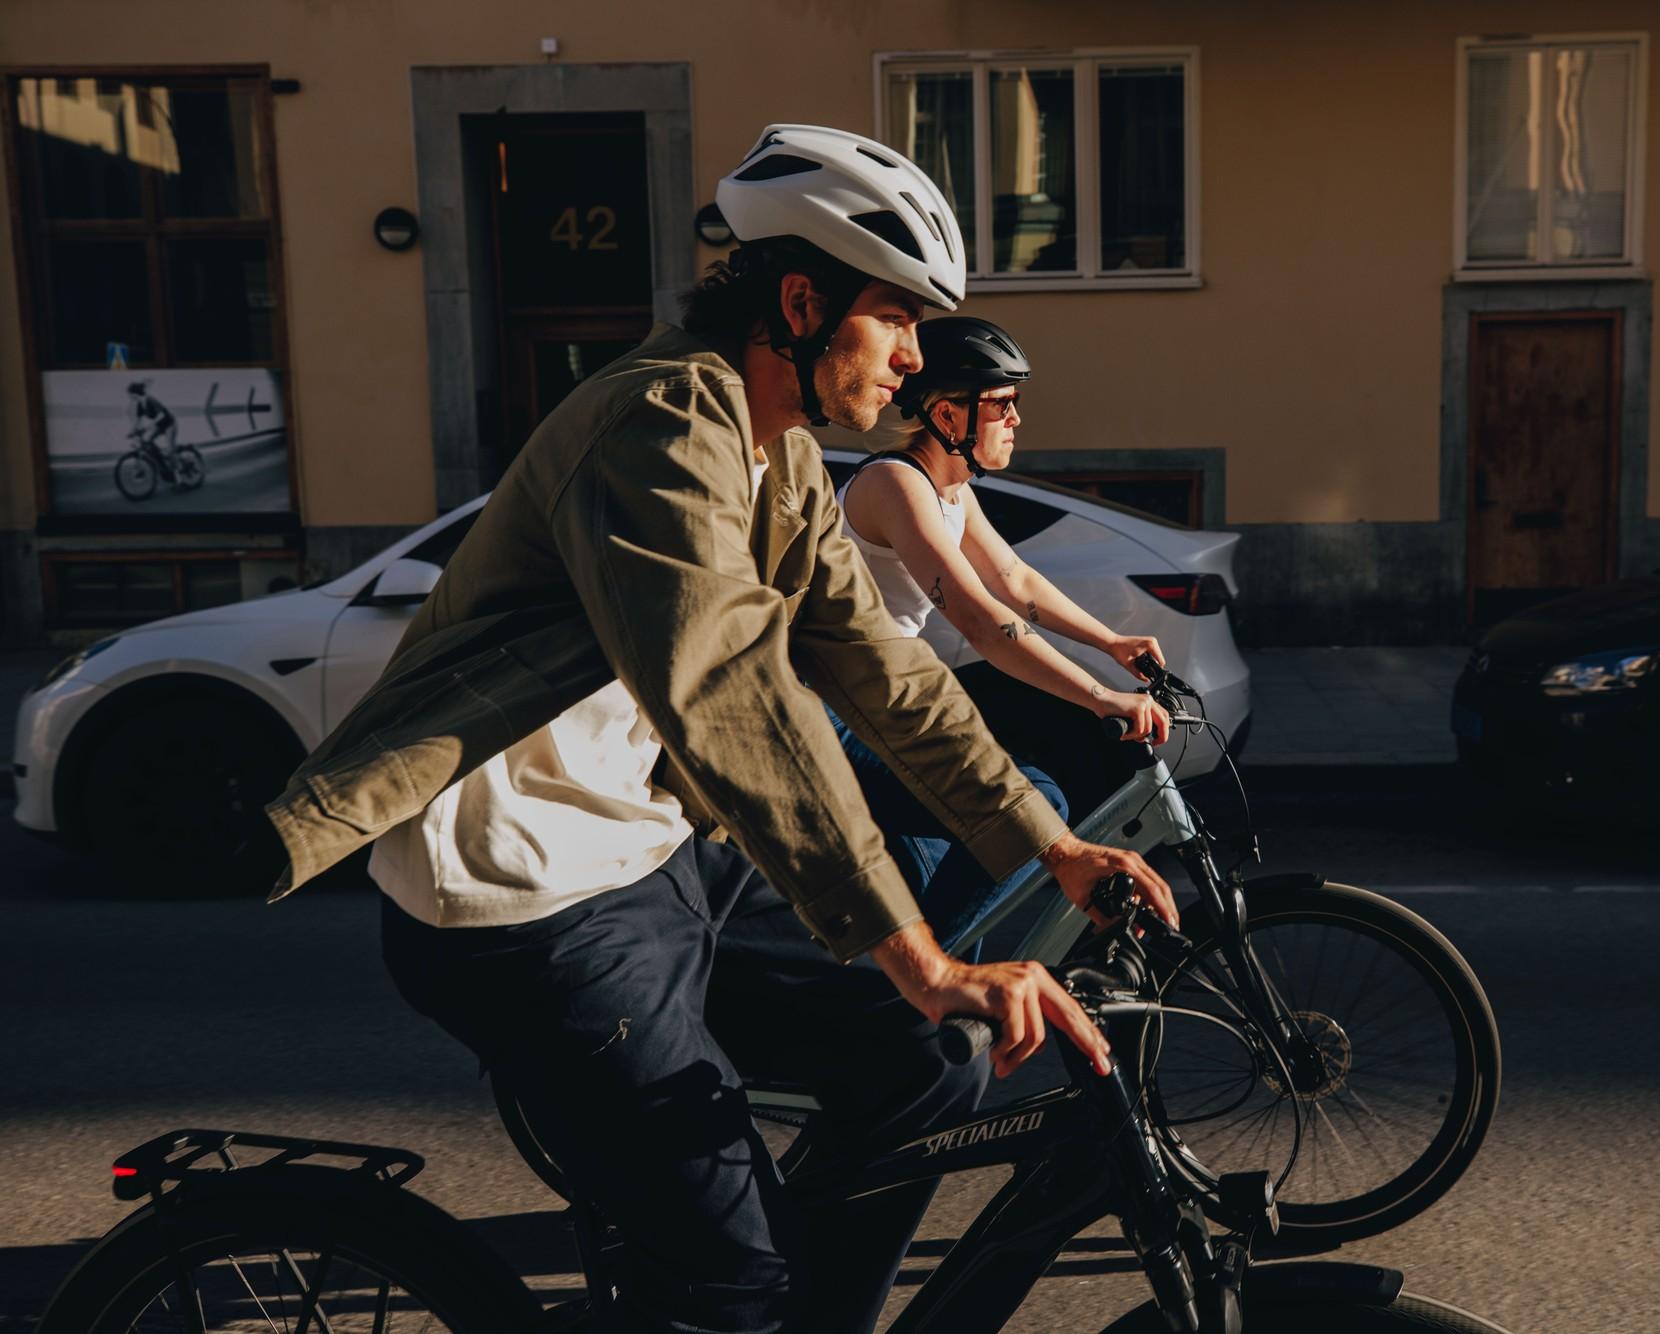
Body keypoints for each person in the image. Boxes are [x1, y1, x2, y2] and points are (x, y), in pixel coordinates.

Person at [258, 123, 1176, 1334]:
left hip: (649, 859)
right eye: (895, 318)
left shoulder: (778, 450)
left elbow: (880, 667)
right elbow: (733, 691)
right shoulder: (657, 425)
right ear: (799, 300)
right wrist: (921, 952)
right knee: (735, 1277)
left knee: (926, 1065)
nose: (913, 357)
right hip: (521, 903)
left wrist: (1043, 842)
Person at [832, 316, 1173, 950]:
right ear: (946, 414)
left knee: (959, 904)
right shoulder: (895, 483)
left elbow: (1014, 580)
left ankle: (923, 1023)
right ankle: (918, 1005)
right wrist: (1100, 697)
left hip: (883, 706)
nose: (1015, 418)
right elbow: (981, 620)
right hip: (837, 713)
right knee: (1031, 807)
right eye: (1000, 403)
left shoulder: (950, 490)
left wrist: (1111, 644)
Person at [125, 380, 180, 481]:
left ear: (135, 394)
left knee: (170, 450)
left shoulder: (150, 400)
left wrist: (149, 426)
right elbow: (137, 420)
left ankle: (178, 477)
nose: (129, 397)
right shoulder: (140, 404)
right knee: (148, 442)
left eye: (130, 394)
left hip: (169, 424)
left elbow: (161, 415)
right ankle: (163, 467)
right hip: (160, 425)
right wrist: (132, 431)